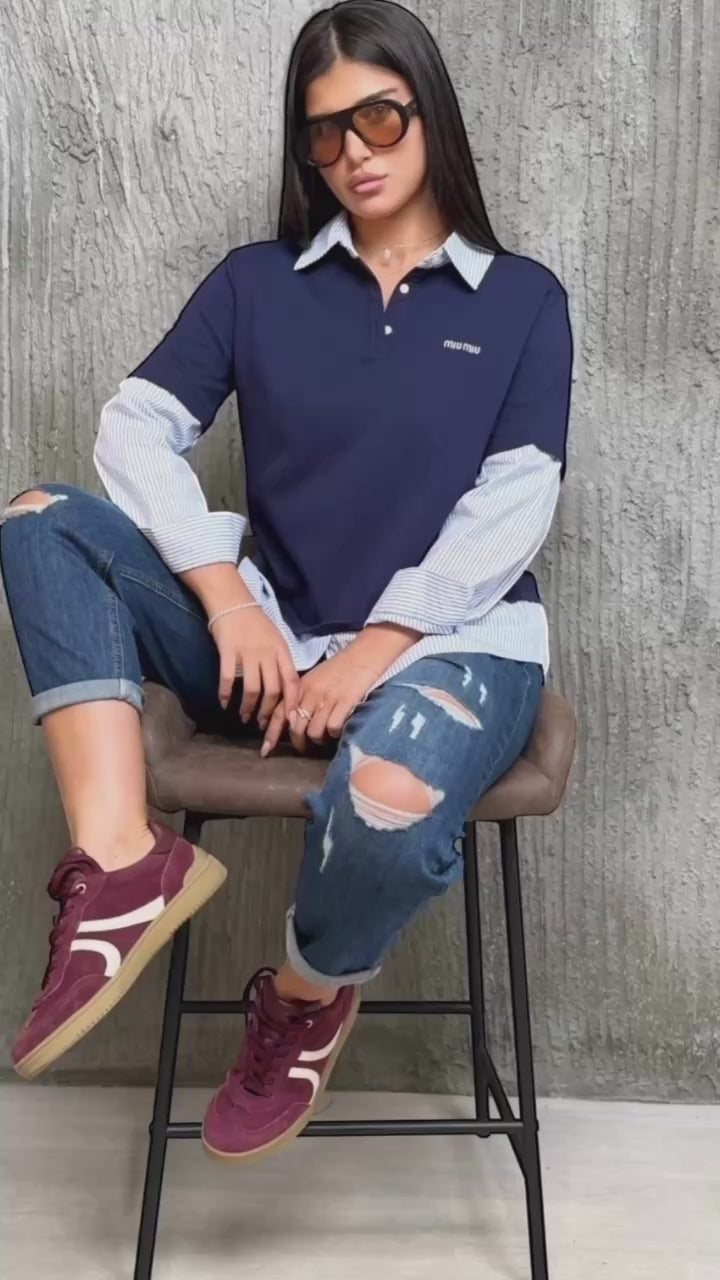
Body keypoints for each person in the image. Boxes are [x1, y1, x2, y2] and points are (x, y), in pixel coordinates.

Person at [0, 0, 572, 1162]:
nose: (354, 150)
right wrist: (224, 596)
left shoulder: (522, 301)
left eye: (379, 117)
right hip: (270, 640)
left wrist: (373, 650)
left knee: (392, 799)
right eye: (324, 131)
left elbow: (512, 508)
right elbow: (133, 429)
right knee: (42, 519)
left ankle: (305, 997)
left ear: (429, 113)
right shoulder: (256, 284)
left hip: (454, 645)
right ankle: (122, 865)